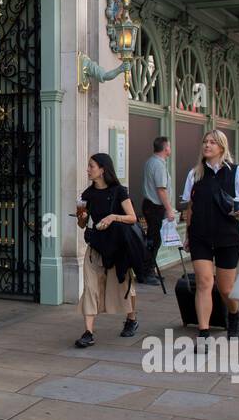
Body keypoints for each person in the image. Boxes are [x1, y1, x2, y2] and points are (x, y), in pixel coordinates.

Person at [181, 130, 239, 347]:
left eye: (212, 142)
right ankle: (203, 333)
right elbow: (190, 208)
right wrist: (187, 234)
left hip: (228, 236)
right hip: (200, 236)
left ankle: (233, 315)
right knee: (204, 282)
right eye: (205, 141)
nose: (207, 145)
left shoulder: (235, 172)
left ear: (222, 147)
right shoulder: (195, 174)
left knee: (226, 288)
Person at [75, 153, 140, 347]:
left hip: (118, 247)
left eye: (91, 166)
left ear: (103, 169)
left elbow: (132, 217)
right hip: (96, 247)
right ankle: (88, 332)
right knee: (90, 287)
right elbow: (81, 224)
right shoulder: (86, 194)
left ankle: (131, 319)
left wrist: (112, 217)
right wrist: (82, 217)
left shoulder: (119, 191)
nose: (88, 169)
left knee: (124, 283)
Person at [139, 137, 176, 285]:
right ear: (166, 148)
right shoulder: (158, 165)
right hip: (155, 207)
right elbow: (161, 190)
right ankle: (146, 273)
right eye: (170, 146)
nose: (170, 149)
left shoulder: (151, 161)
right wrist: (169, 210)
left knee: (153, 239)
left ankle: (150, 270)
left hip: (150, 205)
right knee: (154, 240)